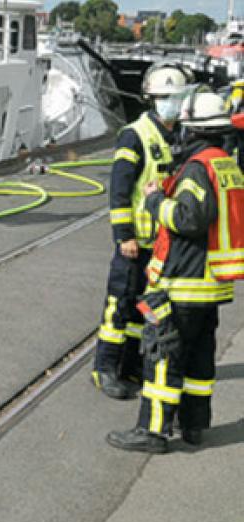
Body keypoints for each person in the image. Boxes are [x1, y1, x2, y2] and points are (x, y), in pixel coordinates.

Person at [107, 89, 243, 453]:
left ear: (193, 129)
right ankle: (194, 425)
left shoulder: (198, 168)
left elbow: (189, 219)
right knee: (199, 359)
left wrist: (154, 201)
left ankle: (152, 431)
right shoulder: (225, 163)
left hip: (184, 281)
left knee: (163, 356)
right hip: (210, 284)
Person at [91, 63, 191, 400]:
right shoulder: (135, 135)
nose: (170, 104)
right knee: (118, 305)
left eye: (174, 98)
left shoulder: (179, 135)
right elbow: (119, 189)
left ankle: (130, 366)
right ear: (153, 99)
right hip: (136, 242)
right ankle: (104, 367)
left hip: (162, 244)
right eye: (164, 98)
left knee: (145, 309)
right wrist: (124, 236)